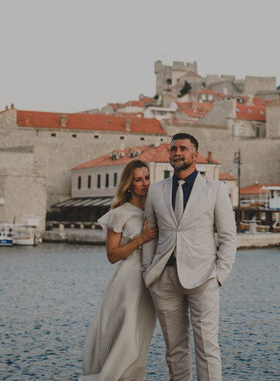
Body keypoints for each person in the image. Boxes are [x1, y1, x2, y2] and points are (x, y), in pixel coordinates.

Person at [143, 133, 237, 381]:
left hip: (204, 278)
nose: (177, 153)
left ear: (195, 155)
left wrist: (219, 276)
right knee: (174, 349)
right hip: (164, 279)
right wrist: (148, 273)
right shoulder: (155, 190)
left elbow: (228, 237)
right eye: (173, 149)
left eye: (183, 148)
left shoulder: (215, 189)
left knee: (207, 347)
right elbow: (150, 235)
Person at [82, 159, 159, 381]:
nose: (144, 183)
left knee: (140, 338)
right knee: (126, 338)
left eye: (147, 178)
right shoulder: (120, 213)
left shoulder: (156, 209)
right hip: (128, 280)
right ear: (129, 184)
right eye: (138, 180)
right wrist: (140, 239)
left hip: (150, 280)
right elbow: (112, 256)